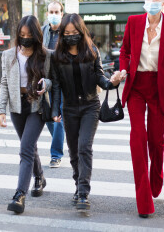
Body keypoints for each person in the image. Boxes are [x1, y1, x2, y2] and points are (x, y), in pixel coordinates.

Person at [117, 0, 164, 217]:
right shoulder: (133, 22)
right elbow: (125, 51)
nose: (151, 0)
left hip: (159, 88)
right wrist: (124, 69)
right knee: (138, 140)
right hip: (136, 86)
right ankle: (144, 200)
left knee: (156, 140)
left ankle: (156, 174)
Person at [51, 13, 121, 211]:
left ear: (81, 32)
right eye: (67, 33)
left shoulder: (91, 50)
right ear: (62, 34)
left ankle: (83, 192)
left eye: (75, 32)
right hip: (69, 108)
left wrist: (110, 83)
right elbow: (56, 85)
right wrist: (55, 109)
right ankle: (77, 185)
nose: (71, 36)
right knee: (73, 152)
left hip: (91, 106)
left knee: (84, 147)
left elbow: (99, 75)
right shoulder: (57, 56)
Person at [0, 15, 52, 214]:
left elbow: (53, 81)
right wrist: (0, 110)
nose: (25, 38)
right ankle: (39, 177)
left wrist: (46, 84)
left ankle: (19, 195)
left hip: (37, 106)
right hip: (17, 106)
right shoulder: (8, 55)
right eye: (22, 34)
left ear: (36, 35)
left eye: (29, 35)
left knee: (26, 148)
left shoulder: (46, 55)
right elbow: (4, 83)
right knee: (28, 146)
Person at [42, 0, 65, 168]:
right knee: (49, 115)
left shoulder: (67, 31)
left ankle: (56, 154)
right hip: (47, 79)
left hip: (64, 79)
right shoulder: (42, 31)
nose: (54, 15)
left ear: (62, 14)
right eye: (51, 12)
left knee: (59, 117)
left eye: (57, 12)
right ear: (47, 13)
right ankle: (60, 139)